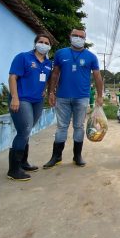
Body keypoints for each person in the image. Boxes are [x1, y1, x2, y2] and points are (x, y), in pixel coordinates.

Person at [44, 28, 104, 169]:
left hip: (82, 98)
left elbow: (97, 76)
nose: (78, 38)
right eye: (75, 35)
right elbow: (54, 74)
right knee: (61, 127)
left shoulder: (91, 57)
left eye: (81, 36)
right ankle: (56, 157)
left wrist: (100, 96)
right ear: (70, 36)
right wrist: (51, 92)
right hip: (62, 97)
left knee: (79, 127)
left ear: (85, 39)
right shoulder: (60, 53)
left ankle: (77, 156)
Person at [7, 34, 53, 181]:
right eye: (41, 41)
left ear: (49, 46)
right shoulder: (23, 57)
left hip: (37, 101)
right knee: (24, 130)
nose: (43, 44)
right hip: (21, 99)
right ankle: (13, 170)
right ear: (35, 43)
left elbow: (46, 79)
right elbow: (12, 77)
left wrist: (45, 91)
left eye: (46, 43)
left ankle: (23, 162)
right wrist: (15, 97)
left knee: (27, 130)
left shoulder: (48, 63)